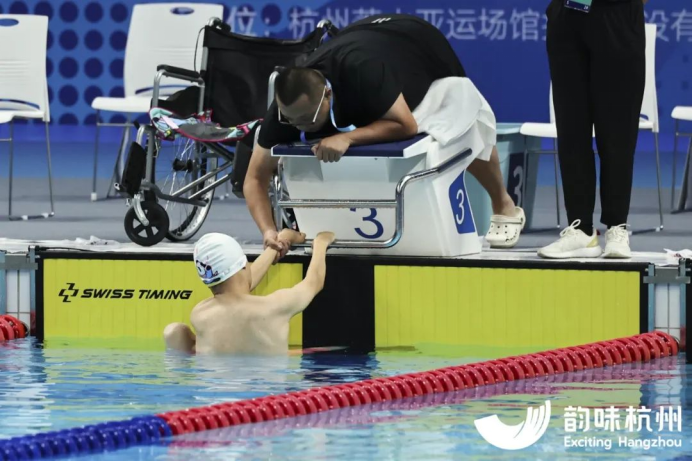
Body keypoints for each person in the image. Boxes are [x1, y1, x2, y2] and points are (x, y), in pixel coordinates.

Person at [243, 14, 525, 259]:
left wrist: (348, 138)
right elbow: (255, 178)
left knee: (460, 124)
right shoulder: (286, 110)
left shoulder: (362, 70)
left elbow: (405, 125)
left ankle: (504, 204)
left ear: (327, 94)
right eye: (292, 120)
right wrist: (268, 231)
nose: (299, 125)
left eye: (307, 118)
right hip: (362, 41)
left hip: (416, 43)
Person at [539, 0, 648, 259]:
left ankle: (617, 227)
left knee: (618, 133)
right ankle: (580, 230)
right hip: (569, 12)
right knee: (571, 129)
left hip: (617, 13)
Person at [163, 230, 335, 355]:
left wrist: (278, 244)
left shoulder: (200, 314)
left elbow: (238, 283)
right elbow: (314, 283)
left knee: (174, 331)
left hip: (215, 394)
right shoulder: (276, 306)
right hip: (270, 395)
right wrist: (321, 242)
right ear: (244, 266)